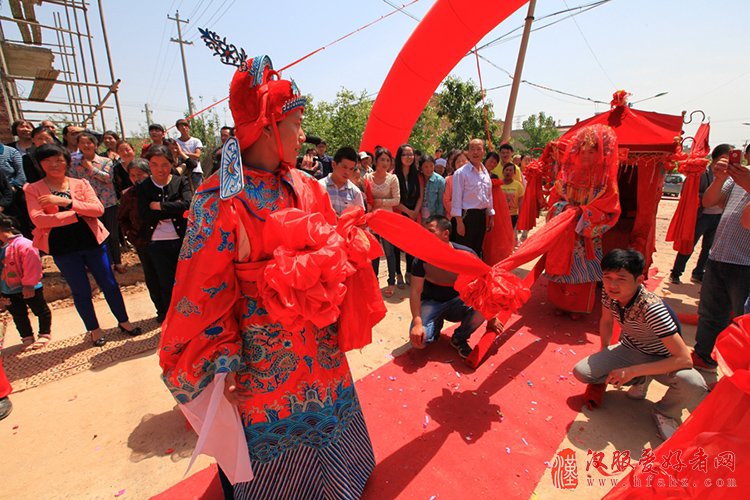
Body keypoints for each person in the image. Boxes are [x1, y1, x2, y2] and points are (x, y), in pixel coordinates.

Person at [159, 53, 376, 498]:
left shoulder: (308, 185)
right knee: (264, 429)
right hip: (260, 349)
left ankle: (343, 480)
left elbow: (330, 245)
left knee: (330, 407)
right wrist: (224, 365)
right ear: (267, 126)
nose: (302, 135)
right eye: (295, 124)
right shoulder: (222, 199)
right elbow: (203, 289)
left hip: (317, 334)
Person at [573, 249, 708, 439]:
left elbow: (685, 359)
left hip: (665, 358)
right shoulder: (608, 293)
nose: (612, 284)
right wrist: (604, 351)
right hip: (631, 348)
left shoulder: (652, 309)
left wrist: (632, 371)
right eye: (607, 277)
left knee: (693, 384)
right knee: (582, 372)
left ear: (639, 279)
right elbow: (606, 320)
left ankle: (665, 412)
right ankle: (641, 380)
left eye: (621, 279)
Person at [25, 143, 140, 347]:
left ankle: (124, 322)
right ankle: (94, 331)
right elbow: (39, 220)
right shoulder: (33, 189)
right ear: (40, 164)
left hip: (92, 242)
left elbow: (97, 210)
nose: (54, 164)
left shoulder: (81, 184)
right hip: (62, 247)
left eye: (59, 159)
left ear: (67, 162)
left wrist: (65, 204)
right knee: (81, 290)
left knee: (109, 284)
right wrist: (77, 214)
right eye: (48, 160)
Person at [544, 124, 621, 318]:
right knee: (560, 269)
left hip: (585, 235)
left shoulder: (605, 182)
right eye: (583, 151)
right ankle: (559, 304)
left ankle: (576, 308)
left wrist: (584, 213)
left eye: (592, 151)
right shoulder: (566, 175)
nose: (586, 155)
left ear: (601, 153)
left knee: (582, 271)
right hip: (564, 231)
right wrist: (564, 210)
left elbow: (610, 209)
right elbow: (554, 201)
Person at [691, 145, 750, 372]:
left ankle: (738, 371)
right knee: (710, 313)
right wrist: (719, 178)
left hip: (745, 263)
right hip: (719, 257)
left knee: (743, 321)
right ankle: (704, 356)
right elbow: (709, 201)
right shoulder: (737, 179)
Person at [409, 215, 486, 358]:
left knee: (485, 308)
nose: (426, 236)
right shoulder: (421, 259)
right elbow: (415, 291)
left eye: (431, 231)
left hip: (458, 301)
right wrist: (418, 323)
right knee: (418, 342)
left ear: (445, 234)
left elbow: (484, 285)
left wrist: (492, 318)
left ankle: (459, 338)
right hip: (431, 302)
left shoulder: (466, 255)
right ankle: (435, 325)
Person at [138, 145, 192, 322]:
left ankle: (188, 315)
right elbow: (145, 214)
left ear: (171, 163)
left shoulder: (180, 181)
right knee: (164, 282)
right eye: (154, 165)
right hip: (156, 243)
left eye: (164, 164)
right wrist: (174, 207)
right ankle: (171, 317)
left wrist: (160, 206)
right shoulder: (144, 186)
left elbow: (188, 205)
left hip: (181, 240)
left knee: (186, 280)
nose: (160, 169)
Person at [669, 144, 729, 284]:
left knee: (708, 248)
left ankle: (698, 273)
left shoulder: (730, 176)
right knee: (689, 244)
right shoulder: (701, 173)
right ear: (717, 157)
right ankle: (676, 272)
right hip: (701, 215)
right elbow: (690, 193)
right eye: (725, 157)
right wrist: (709, 198)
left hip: (718, 216)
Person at [68, 132, 124, 274]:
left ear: (95, 145)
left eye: (89, 142)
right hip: (88, 206)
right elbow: (73, 183)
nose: (86, 145)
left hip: (108, 203)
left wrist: (90, 168)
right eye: (83, 143)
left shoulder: (106, 161)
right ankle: (108, 263)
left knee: (113, 234)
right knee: (98, 235)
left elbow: (107, 178)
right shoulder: (73, 164)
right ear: (78, 145)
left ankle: (118, 261)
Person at [118, 159, 164, 322]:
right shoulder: (129, 195)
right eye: (132, 175)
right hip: (143, 242)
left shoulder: (160, 189)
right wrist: (131, 235)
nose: (136, 178)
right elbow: (122, 218)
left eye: (140, 175)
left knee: (168, 276)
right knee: (152, 277)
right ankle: (161, 311)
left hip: (165, 241)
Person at [0, 213, 52, 350]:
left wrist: (29, 284)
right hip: (7, 289)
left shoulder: (25, 244)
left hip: (30, 287)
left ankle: (44, 334)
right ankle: (26, 337)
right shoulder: (2, 247)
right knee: (18, 315)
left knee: (40, 310)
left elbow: (32, 265)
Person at [366, 147, 401, 297]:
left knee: (389, 252)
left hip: (387, 220)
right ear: (375, 161)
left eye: (388, 160)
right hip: (372, 219)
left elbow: (397, 200)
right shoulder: (367, 177)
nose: (385, 163)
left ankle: (391, 282)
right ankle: (374, 283)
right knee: (373, 253)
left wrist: (380, 201)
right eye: (382, 159)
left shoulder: (392, 178)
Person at [450, 138, 494, 256]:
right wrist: (459, 222)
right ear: (468, 153)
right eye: (472, 149)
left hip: (481, 217)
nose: (475, 152)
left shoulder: (485, 173)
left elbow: (489, 195)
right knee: (464, 250)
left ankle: (474, 275)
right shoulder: (461, 173)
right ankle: (462, 274)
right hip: (466, 217)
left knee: (477, 248)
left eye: (478, 149)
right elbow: (456, 199)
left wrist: (490, 215)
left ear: (483, 152)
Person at [394, 143, 423, 287]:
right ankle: (398, 273)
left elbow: (420, 195)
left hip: (414, 214)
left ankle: (409, 272)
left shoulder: (417, 175)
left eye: (411, 154)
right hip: (399, 213)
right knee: (397, 246)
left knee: (412, 245)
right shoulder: (393, 175)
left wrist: (415, 212)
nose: (408, 157)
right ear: (399, 157)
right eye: (405, 154)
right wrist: (408, 212)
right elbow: (394, 199)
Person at [317, 146, 364, 217]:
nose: (347, 172)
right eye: (344, 167)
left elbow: (360, 218)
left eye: (351, 169)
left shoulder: (355, 192)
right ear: (334, 165)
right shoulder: (319, 187)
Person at [174, 118, 204, 188]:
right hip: (182, 171)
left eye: (185, 125)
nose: (184, 128)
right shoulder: (175, 142)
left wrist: (181, 153)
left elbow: (197, 155)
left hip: (196, 171)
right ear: (178, 129)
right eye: (181, 126)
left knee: (198, 192)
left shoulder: (196, 141)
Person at [500, 162, 525, 230]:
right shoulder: (498, 184)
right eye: (506, 170)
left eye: (511, 170)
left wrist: (520, 217)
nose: (508, 172)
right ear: (503, 172)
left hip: (513, 215)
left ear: (514, 173)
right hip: (500, 215)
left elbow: (521, 202)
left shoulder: (518, 185)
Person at [420, 154, 445, 219]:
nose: (429, 169)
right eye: (426, 167)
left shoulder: (440, 181)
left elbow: (441, 203)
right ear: (421, 167)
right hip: (419, 216)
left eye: (431, 166)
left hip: (432, 216)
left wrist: (438, 219)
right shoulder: (418, 178)